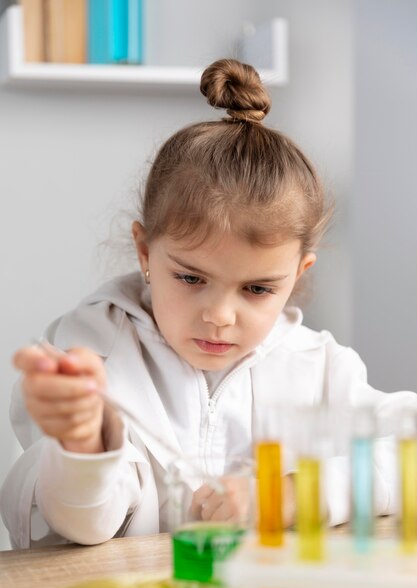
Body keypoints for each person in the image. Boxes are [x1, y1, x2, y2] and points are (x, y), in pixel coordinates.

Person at [1, 59, 414, 550]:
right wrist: (85, 444)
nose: (220, 315)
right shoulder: (90, 355)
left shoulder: (321, 369)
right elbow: (82, 527)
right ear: (145, 252)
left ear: (298, 275)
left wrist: (292, 494)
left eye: (257, 289)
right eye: (191, 278)